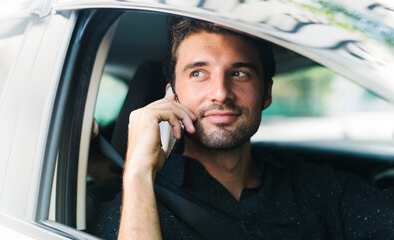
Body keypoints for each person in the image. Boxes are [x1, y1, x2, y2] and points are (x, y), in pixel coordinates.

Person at [92, 18, 394, 239]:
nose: (221, 92)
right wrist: (138, 173)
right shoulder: (135, 206)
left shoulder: (321, 189)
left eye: (239, 73)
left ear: (266, 93)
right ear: (172, 96)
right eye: (199, 73)